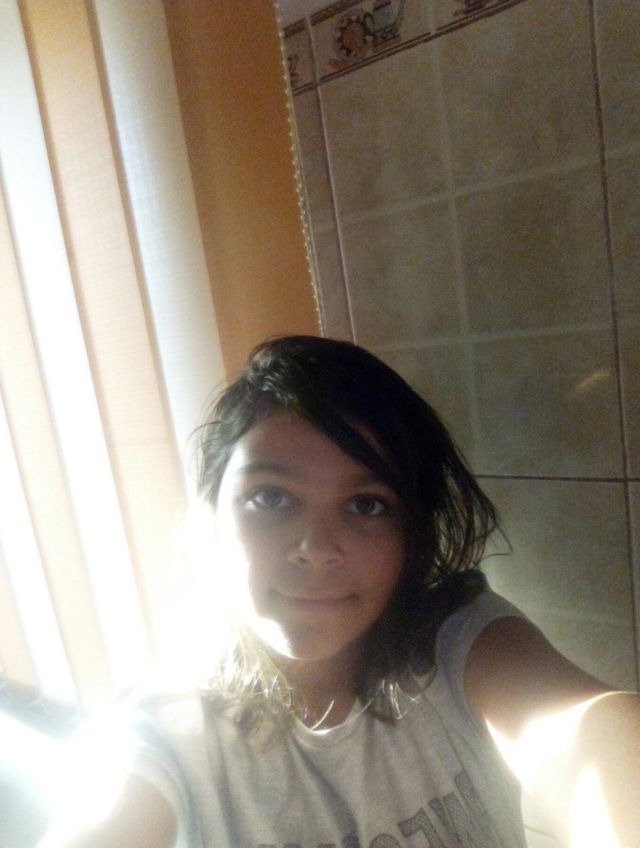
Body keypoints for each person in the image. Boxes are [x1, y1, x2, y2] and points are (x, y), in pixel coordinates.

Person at [42, 336, 639, 848]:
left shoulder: (461, 642)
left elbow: (582, 732)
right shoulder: (163, 738)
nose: (317, 548)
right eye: (270, 497)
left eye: (366, 505)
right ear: (211, 516)